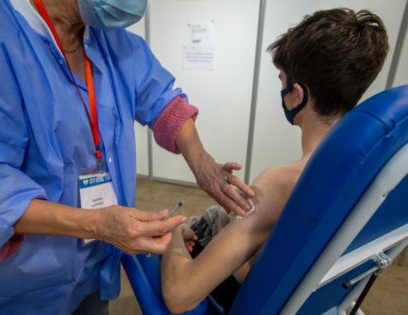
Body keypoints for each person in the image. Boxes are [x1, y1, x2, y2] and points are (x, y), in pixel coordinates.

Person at [0, 0, 255, 314]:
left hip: (95, 262)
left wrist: (203, 164)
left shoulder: (108, 39)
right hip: (25, 282)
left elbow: (164, 103)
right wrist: (96, 223)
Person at [161, 7, 389, 314]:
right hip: (319, 298)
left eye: (281, 79)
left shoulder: (281, 183)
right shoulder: (376, 173)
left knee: (198, 223)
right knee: (223, 216)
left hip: (258, 302)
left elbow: (179, 295)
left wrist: (173, 234)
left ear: (296, 95)